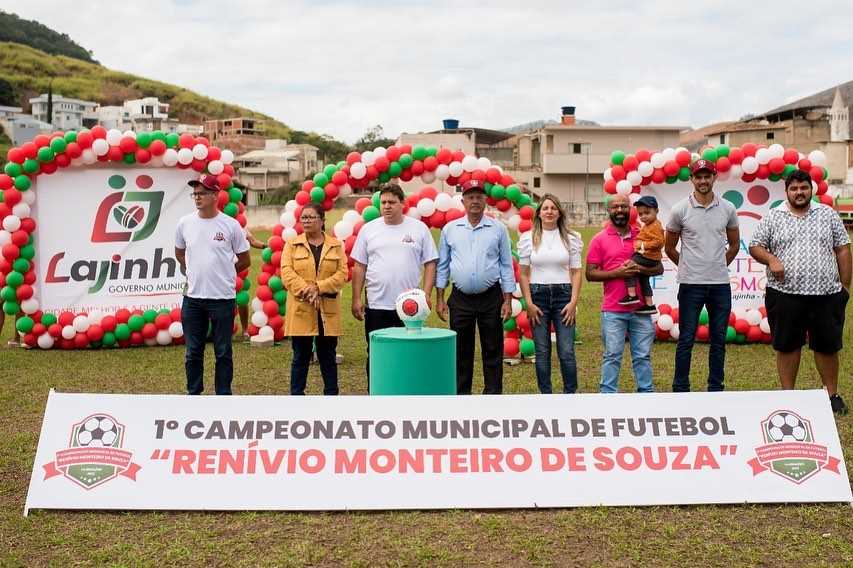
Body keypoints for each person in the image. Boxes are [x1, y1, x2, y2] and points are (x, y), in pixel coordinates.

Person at [749, 169, 851, 415]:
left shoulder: (827, 214)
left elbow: (843, 249)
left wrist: (845, 287)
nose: (799, 192)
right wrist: (771, 259)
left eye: (803, 187)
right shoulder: (774, 216)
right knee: (787, 346)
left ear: (811, 190)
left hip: (826, 295)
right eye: (793, 188)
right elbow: (755, 246)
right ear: (787, 192)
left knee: (827, 347)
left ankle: (831, 395)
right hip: (784, 294)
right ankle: (789, 397)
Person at [350, 183, 438, 386]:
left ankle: (407, 393)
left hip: (410, 308)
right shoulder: (368, 229)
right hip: (377, 305)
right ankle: (376, 393)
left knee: (409, 353)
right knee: (376, 353)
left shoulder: (419, 228)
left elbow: (430, 263)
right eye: (383, 202)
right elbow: (359, 266)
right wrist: (356, 299)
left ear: (402, 204)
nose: (387, 206)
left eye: (392, 202)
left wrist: (425, 295)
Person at [665, 159, 739, 393]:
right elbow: (669, 248)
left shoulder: (728, 208)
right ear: (692, 179)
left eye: (707, 176)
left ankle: (715, 388)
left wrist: (718, 266)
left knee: (718, 339)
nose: (703, 180)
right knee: (686, 338)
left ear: (714, 177)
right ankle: (680, 388)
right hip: (690, 285)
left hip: (720, 285)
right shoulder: (679, 210)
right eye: (699, 176)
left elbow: (735, 245)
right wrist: (688, 267)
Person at [436, 179, 516, 395]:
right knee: (461, 351)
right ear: (463, 201)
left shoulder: (498, 229)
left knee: (493, 349)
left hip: (491, 298)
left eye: (479, 197)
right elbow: (443, 265)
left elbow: (506, 265)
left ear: (485, 200)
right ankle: (462, 396)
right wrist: (440, 298)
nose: (475, 201)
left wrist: (508, 300)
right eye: (470, 197)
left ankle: (492, 395)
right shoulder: (450, 229)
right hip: (460, 298)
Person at [175, 174, 251, 395]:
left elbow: (245, 259)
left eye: (202, 193)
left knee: (223, 352)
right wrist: (192, 270)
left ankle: (223, 396)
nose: (197, 197)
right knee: (193, 352)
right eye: (195, 194)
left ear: (215, 195)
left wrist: (224, 273)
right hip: (193, 299)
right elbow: (179, 253)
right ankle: (194, 394)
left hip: (222, 299)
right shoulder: (184, 223)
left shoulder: (231, 225)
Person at [586, 194, 663, 393]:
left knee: (643, 356)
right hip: (613, 310)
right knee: (612, 356)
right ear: (608, 210)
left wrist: (639, 269)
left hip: (641, 310)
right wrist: (618, 273)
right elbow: (590, 274)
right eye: (615, 207)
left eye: (624, 206)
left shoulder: (642, 234)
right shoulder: (599, 239)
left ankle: (646, 394)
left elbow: (658, 268)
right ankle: (608, 395)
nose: (620, 210)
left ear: (630, 209)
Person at [517, 194, 583, 394]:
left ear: (559, 213)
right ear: (539, 213)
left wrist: (573, 302)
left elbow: (576, 272)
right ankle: (546, 395)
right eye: (545, 208)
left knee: (566, 350)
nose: (549, 212)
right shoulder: (528, 238)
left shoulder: (571, 238)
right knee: (542, 350)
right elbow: (523, 273)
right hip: (538, 297)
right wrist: (528, 303)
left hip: (564, 296)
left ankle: (570, 395)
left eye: (553, 208)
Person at [281, 202, 348, 396]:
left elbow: (342, 274)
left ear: (322, 220)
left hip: (328, 309)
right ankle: (297, 397)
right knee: (300, 356)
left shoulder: (336, 245)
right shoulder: (292, 245)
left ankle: (331, 396)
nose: (306, 221)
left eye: (311, 217)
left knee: (328, 356)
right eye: (304, 217)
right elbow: (287, 273)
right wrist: (308, 290)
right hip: (301, 308)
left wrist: (319, 287)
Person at [619, 195, 664, 315]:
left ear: (657, 211)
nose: (643, 216)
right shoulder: (649, 225)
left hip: (648, 256)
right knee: (644, 279)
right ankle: (649, 305)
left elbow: (659, 242)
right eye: (641, 214)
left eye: (647, 213)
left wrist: (642, 245)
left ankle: (632, 295)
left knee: (629, 266)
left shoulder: (655, 225)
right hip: (649, 256)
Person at [238, 226, 266, 339]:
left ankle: (245, 329)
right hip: (223, 267)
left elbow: (253, 241)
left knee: (242, 300)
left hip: (239, 269)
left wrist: (266, 246)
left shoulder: (241, 226)